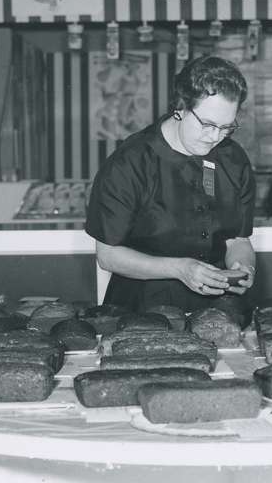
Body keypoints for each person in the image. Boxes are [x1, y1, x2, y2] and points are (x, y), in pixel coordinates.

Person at [85, 55, 256, 311]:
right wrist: (179, 269)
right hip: (143, 312)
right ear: (180, 108)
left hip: (219, 312)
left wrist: (243, 267)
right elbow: (108, 256)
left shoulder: (233, 159)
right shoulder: (130, 163)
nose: (215, 137)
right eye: (207, 124)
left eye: (226, 127)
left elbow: (238, 240)